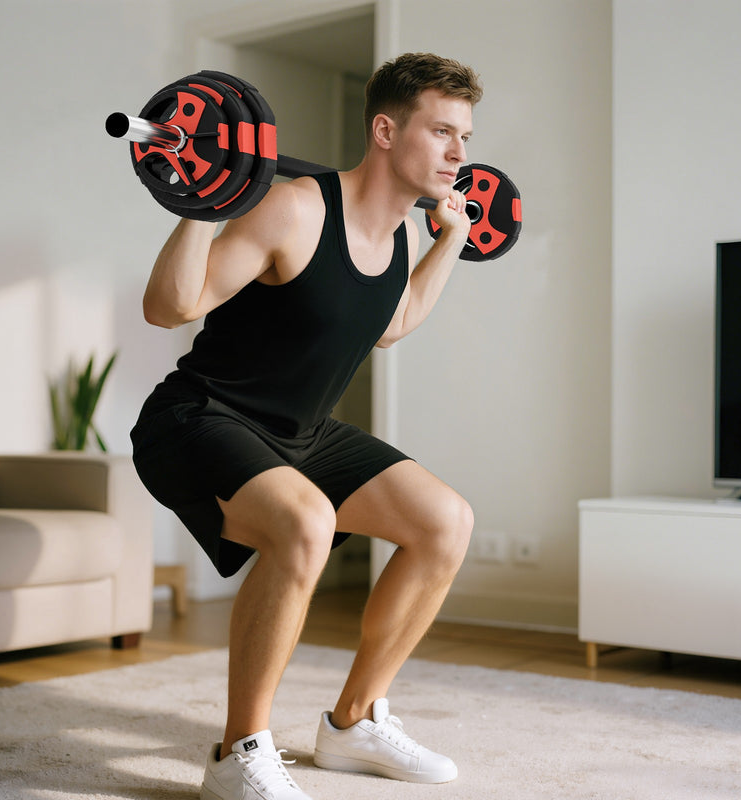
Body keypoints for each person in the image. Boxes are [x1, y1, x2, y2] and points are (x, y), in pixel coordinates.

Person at [131, 52, 482, 800]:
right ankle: (238, 752)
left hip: (300, 431)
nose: (459, 152)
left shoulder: (405, 236)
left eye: (466, 137)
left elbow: (393, 324)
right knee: (307, 523)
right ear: (386, 131)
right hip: (200, 416)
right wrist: (199, 203)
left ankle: (354, 724)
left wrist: (450, 239)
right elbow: (169, 307)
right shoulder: (294, 207)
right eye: (443, 131)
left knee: (445, 522)